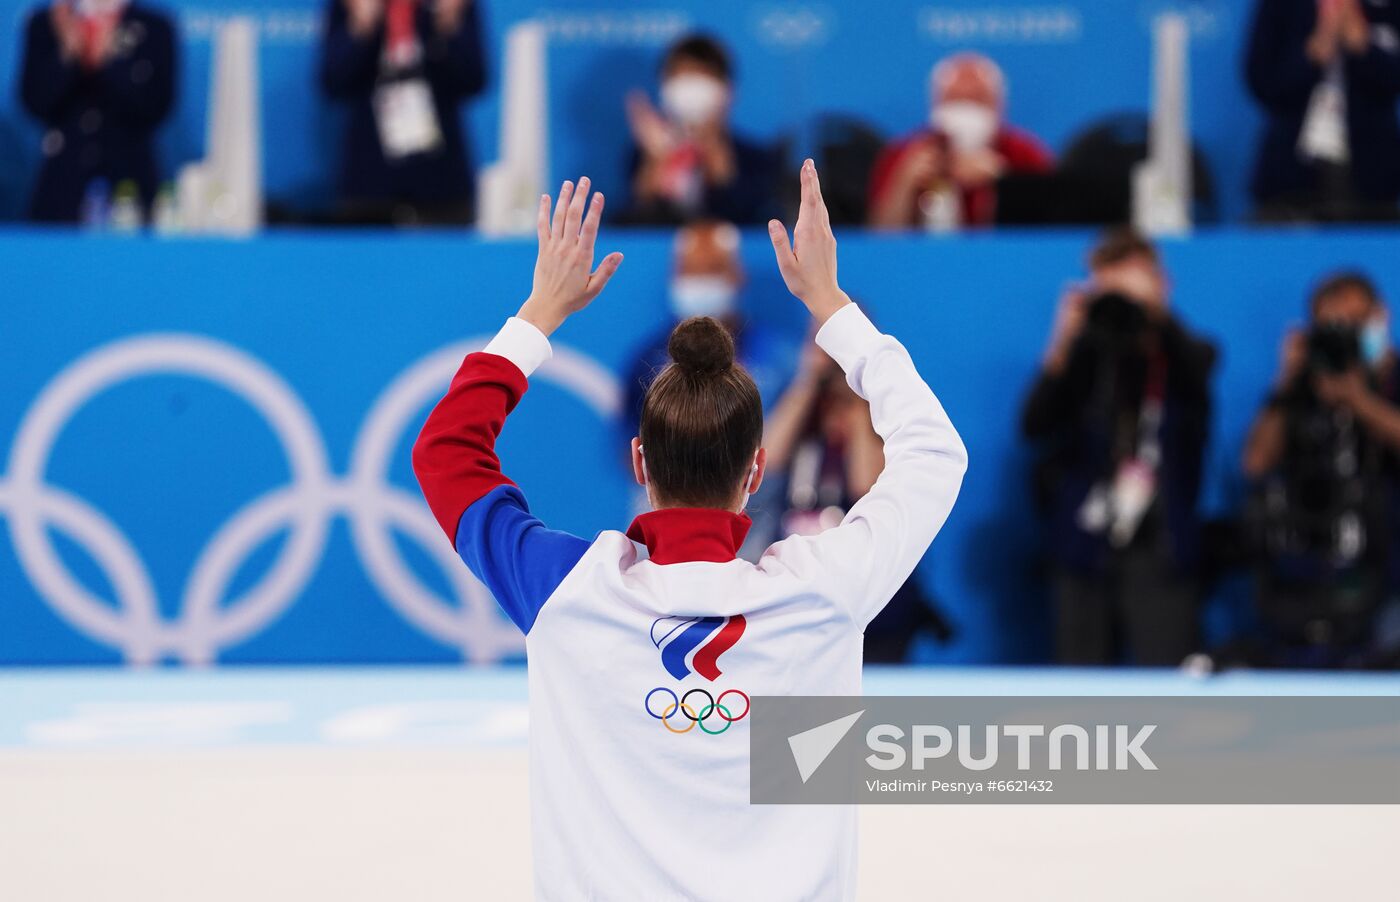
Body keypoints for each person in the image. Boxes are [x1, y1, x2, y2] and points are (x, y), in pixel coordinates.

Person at [412, 161, 966, 897]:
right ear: (756, 471)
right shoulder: (823, 592)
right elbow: (933, 451)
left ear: (640, 462)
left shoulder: (567, 592)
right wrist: (833, 310)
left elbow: (446, 452)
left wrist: (537, 317)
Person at [1021, 229, 1216, 666]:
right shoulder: (1086, 356)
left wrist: (1156, 313)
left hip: (1161, 548)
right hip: (1085, 547)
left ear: (1162, 284)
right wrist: (1065, 337)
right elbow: (1034, 425)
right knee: (1081, 694)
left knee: (1169, 691)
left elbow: (1196, 378)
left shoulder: (1187, 355)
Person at [761, 334, 957, 662]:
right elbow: (770, 457)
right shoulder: (803, 411)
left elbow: (866, 484)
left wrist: (857, 403)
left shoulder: (878, 415)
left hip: (867, 589)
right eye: (813, 340)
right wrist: (807, 382)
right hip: (802, 589)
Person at [1241, 272, 1400, 665]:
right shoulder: (1302, 391)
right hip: (1314, 575)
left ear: (1379, 318)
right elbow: (1257, 462)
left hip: (1391, 572)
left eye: (1354, 322)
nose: (1344, 333)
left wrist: (1358, 400)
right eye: (1332, 326)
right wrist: (1287, 380)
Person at [320, 0, 486, 225]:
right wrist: (361, 26)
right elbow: (333, 83)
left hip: (441, 181)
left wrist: (449, 26)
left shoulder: (451, 5)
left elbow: (474, 80)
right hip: (370, 181)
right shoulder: (353, 4)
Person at [17, 0, 176, 223]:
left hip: (130, 185)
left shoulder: (154, 26)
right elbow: (35, 102)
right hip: (62, 189)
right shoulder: (48, 23)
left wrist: (110, 62)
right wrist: (68, 54)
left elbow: (156, 106)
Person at [1245, 0, 1400, 222]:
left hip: (1374, 175)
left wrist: (1365, 48)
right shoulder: (1281, 6)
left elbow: (1393, 78)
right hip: (1290, 177)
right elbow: (1261, 79)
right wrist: (1312, 55)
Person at [868, 52, 1052, 231]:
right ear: (935, 103)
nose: (965, 109)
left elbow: (1050, 231)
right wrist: (906, 182)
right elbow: (880, 238)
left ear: (999, 105)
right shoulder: (907, 153)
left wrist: (1004, 183)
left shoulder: (1025, 154)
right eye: (955, 99)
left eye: (977, 99)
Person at [618, 33, 782, 225]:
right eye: (681, 74)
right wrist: (657, 160)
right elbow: (635, 220)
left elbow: (749, 218)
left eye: (702, 75)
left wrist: (714, 152)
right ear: (664, 86)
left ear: (727, 90)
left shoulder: (756, 159)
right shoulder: (641, 154)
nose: (691, 87)